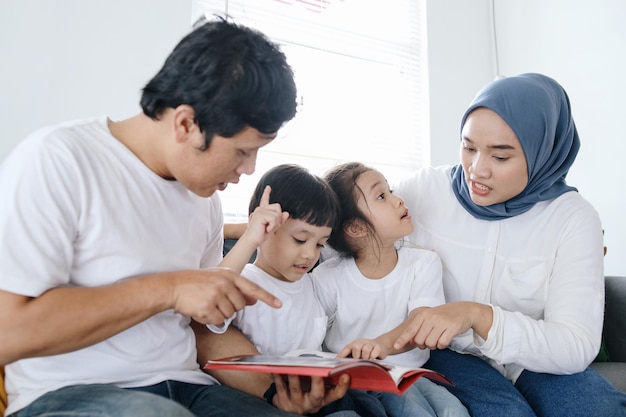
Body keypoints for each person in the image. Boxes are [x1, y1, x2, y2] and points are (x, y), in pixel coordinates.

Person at [0, 19, 355, 417]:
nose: (249, 170)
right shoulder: (58, 160)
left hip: (187, 385)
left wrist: (274, 394)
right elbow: (7, 331)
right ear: (186, 123)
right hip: (66, 394)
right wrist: (167, 289)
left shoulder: (204, 199)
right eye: (241, 151)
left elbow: (201, 330)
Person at [391, 73, 626, 416]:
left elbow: (575, 345)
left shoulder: (574, 218)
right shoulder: (423, 190)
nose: (476, 169)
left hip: (532, 360)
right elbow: (342, 229)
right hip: (445, 354)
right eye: (468, 147)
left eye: (500, 157)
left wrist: (478, 316)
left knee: (596, 409)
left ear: (543, 152)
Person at [209, 163, 392, 417]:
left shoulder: (313, 283)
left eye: (320, 244)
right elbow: (209, 306)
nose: (309, 254)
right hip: (259, 401)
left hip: (313, 398)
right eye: (299, 240)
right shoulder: (242, 281)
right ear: (262, 228)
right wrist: (250, 237)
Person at [311, 162, 469, 417]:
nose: (398, 200)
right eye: (382, 196)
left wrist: (380, 346)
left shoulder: (423, 263)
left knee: (453, 410)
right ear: (356, 228)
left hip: (409, 376)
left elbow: (422, 323)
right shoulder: (327, 277)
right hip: (351, 381)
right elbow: (309, 337)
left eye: (391, 190)